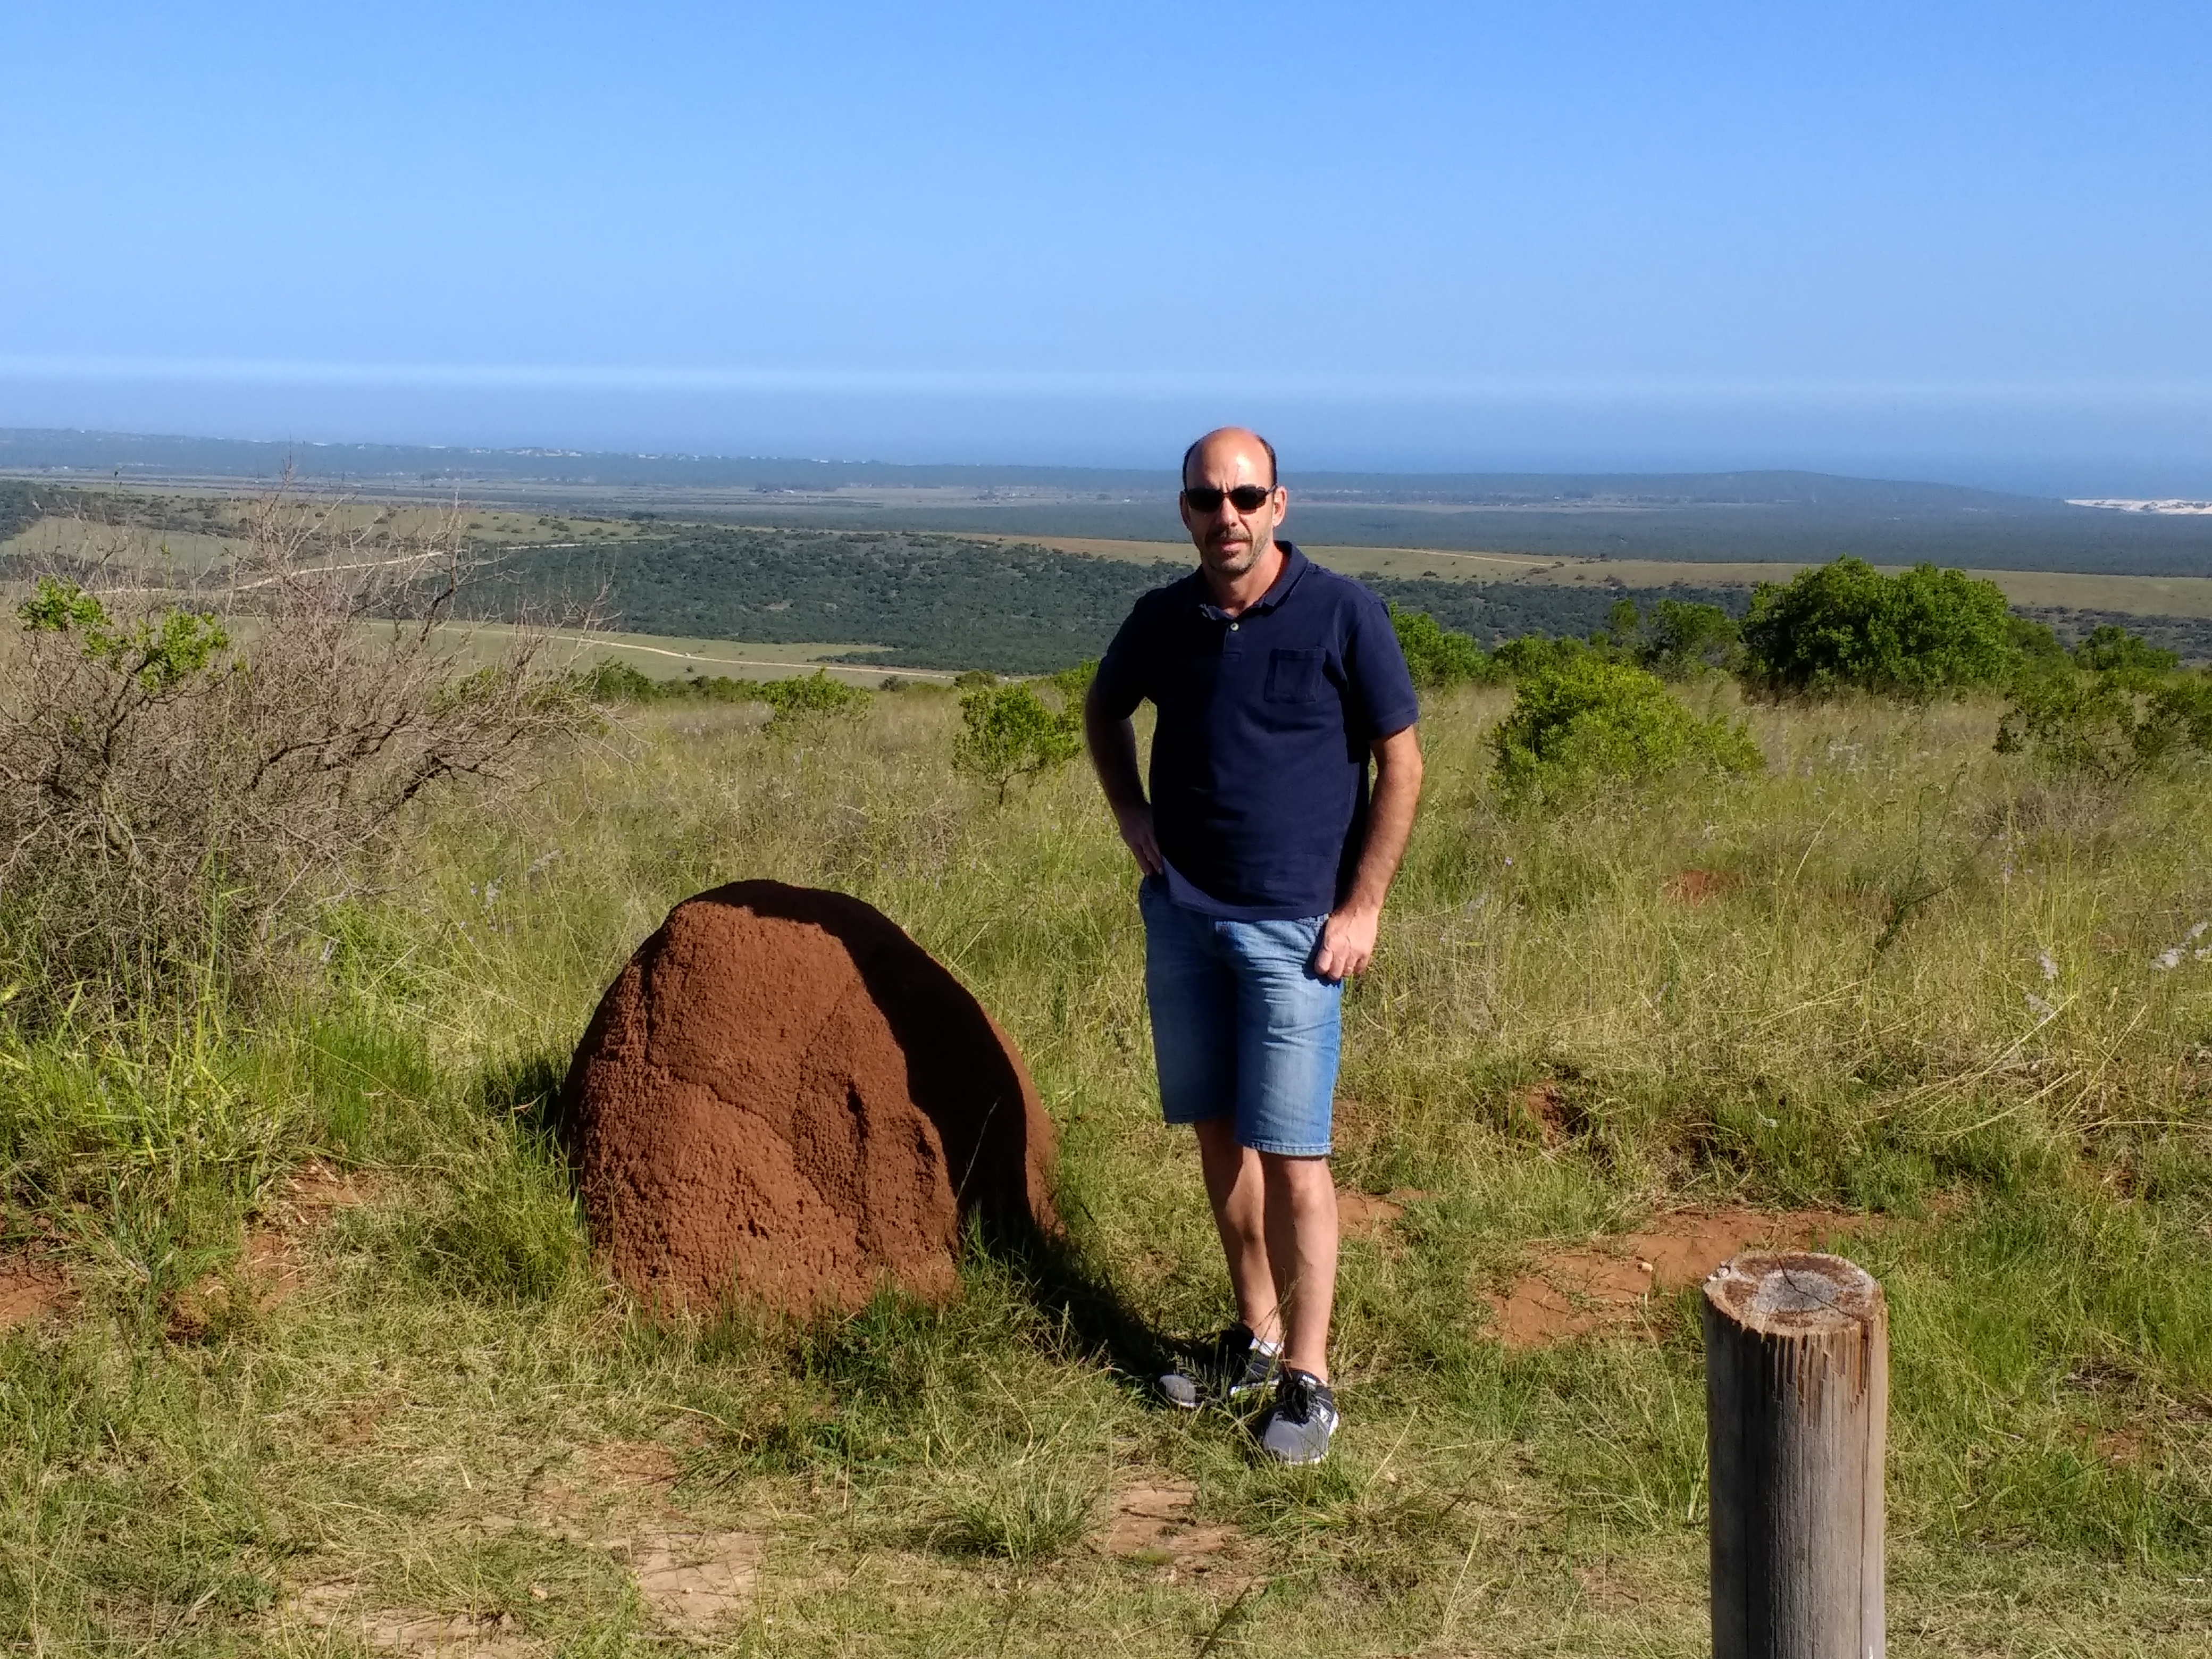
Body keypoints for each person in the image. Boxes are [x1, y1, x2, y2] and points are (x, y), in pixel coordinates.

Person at [1084, 427, 1423, 1464]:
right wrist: (1131, 816)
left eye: (1243, 496)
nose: (1224, 516)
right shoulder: (1164, 619)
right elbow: (1103, 710)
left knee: (1294, 1158)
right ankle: (1255, 1334)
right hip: (1183, 913)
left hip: (1295, 932)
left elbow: (1402, 767)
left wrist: (1360, 907)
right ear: (1182, 510)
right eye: (1204, 499)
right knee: (1217, 1136)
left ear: (1281, 503)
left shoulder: (1340, 613)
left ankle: (1309, 1380)